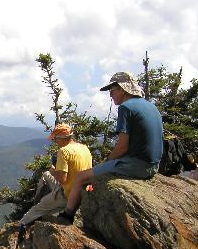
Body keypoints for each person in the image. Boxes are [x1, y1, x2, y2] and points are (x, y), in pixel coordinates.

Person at [60, 71, 163, 223]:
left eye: (112, 90)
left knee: (81, 177)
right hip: (153, 165)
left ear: (122, 89)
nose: (110, 95)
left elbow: (122, 147)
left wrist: (107, 160)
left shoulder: (126, 108)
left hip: (136, 166)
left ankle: (67, 215)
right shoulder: (151, 106)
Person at [18, 123, 92, 236]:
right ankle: (43, 202)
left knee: (35, 210)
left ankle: (20, 227)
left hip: (68, 195)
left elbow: (62, 179)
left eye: (55, 139)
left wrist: (53, 170)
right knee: (46, 174)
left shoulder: (64, 151)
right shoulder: (84, 148)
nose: (55, 142)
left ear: (62, 138)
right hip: (83, 192)